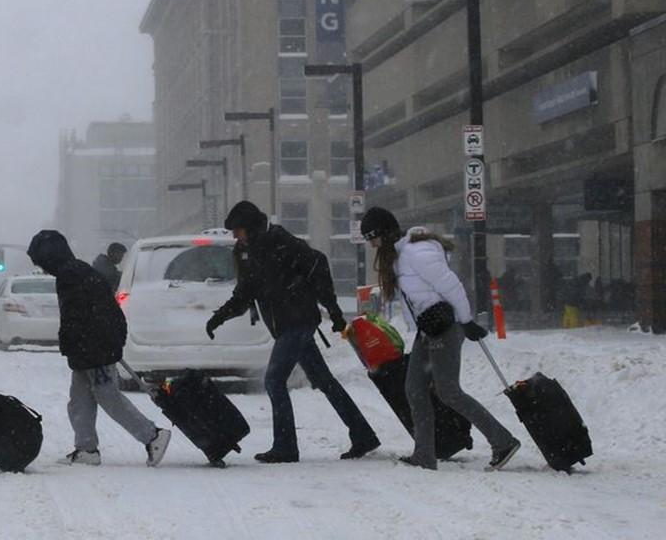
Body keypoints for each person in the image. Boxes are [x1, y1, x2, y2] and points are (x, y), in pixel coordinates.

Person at [205, 201, 379, 463]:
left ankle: (286, 446)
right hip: (288, 323)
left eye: (238, 230)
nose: (234, 236)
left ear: (250, 228)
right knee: (324, 381)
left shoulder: (279, 242)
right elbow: (245, 293)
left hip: (297, 321)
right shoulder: (250, 251)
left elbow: (317, 264)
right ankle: (362, 434)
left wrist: (333, 312)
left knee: (274, 380)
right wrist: (220, 317)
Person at [360, 206, 521, 471]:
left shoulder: (417, 254)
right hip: (429, 327)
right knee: (414, 389)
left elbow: (451, 285)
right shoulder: (399, 256)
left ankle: (502, 441)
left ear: (384, 233)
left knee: (448, 390)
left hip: (446, 326)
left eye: (372, 237)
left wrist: (467, 321)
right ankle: (424, 454)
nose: (371, 244)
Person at [27, 230, 171, 467]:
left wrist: (78, 344)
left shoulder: (70, 276)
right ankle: (86, 449)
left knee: (109, 397)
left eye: (41, 263)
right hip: (91, 346)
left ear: (49, 257)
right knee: (79, 400)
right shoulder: (76, 271)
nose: (43, 269)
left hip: (94, 347)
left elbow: (77, 317)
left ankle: (153, 436)